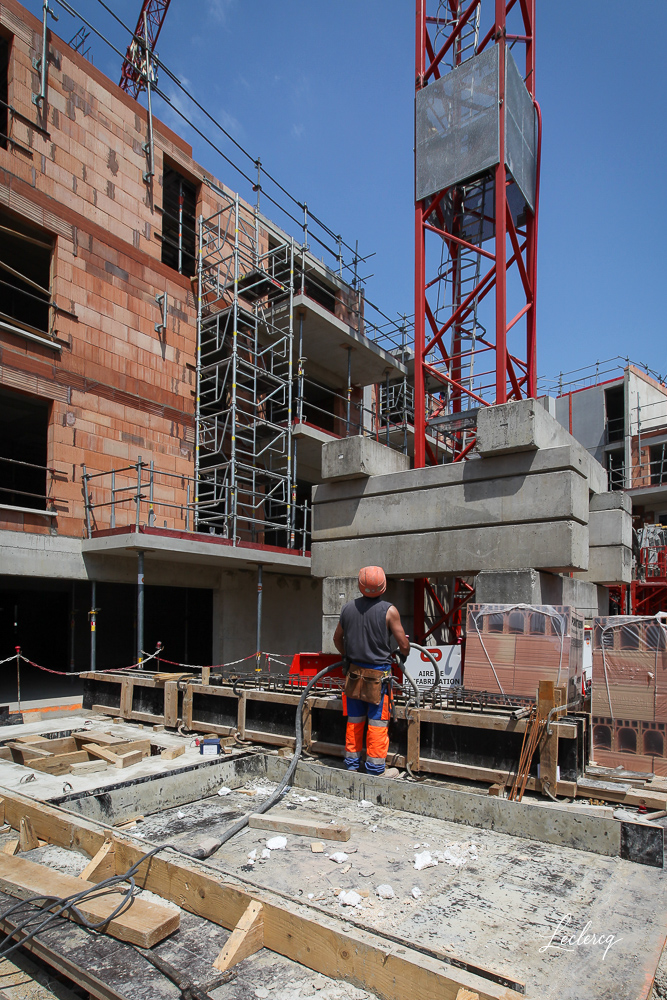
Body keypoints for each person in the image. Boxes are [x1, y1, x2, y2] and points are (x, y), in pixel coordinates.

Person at [333, 566, 410, 776]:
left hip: (354, 674)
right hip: (378, 677)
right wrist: (404, 650)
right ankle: (375, 769)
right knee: (377, 723)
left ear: (360, 586)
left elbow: (336, 639)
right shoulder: (389, 611)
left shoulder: (347, 609)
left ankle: (351, 766)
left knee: (354, 721)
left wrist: (346, 655)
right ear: (383, 586)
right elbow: (403, 645)